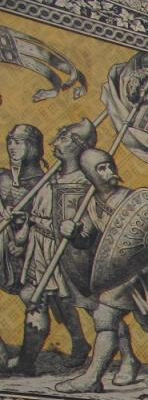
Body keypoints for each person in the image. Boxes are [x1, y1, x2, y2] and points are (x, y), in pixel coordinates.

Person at [55, 148, 148, 394]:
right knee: (139, 322)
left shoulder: (131, 199)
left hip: (142, 272)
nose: (109, 171)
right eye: (101, 168)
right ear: (89, 174)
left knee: (130, 320)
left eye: (109, 165)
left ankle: (92, 378)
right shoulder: (90, 205)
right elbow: (85, 240)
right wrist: (73, 233)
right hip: (118, 273)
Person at [3, 122, 93, 374]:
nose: (12, 147)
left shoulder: (59, 179)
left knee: (47, 298)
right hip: (31, 246)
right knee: (50, 298)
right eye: (10, 141)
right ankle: (77, 343)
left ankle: (28, 361)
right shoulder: (22, 177)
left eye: (19, 142)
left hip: (53, 248)